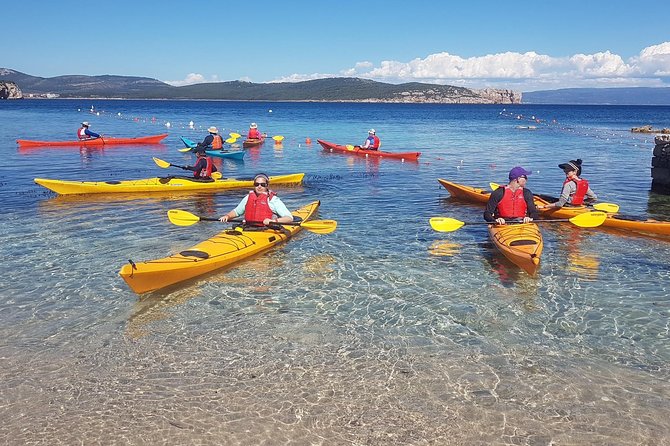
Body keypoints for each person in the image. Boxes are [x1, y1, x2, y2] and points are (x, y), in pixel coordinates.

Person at [219, 173, 293, 227]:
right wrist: (227, 216)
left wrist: (273, 221)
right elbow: (237, 212)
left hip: (268, 229)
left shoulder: (273, 200)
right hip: (249, 228)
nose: (259, 187)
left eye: (262, 184)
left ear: (267, 185)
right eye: (257, 184)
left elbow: (289, 218)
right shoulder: (248, 197)